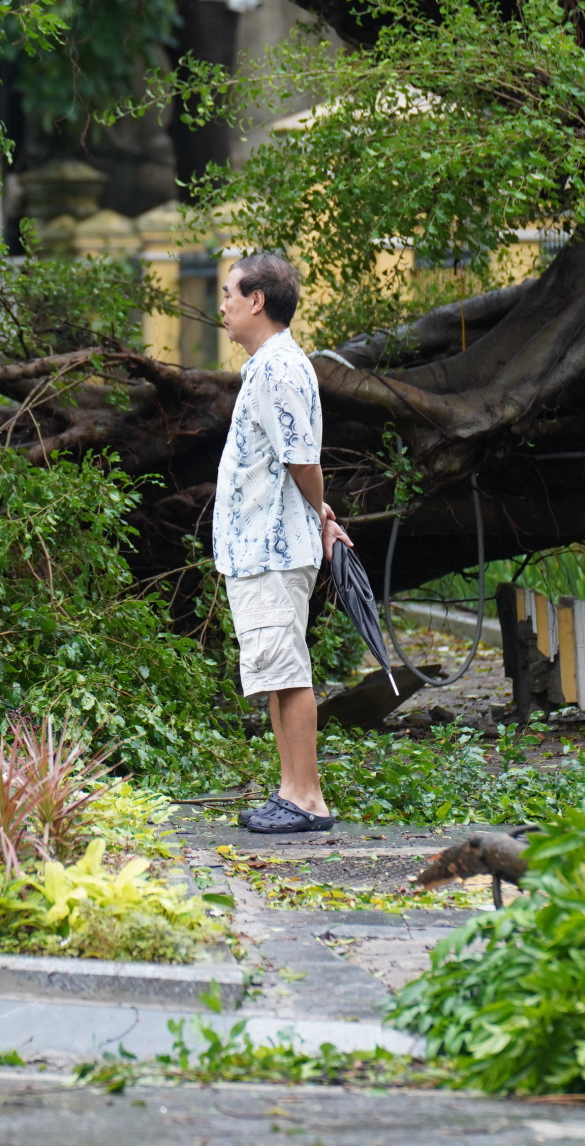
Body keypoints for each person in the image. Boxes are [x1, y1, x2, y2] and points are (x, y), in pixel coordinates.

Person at [213, 251, 352, 835]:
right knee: (276, 670)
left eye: (227, 294)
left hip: (271, 551)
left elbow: (302, 458)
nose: (221, 306)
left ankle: (306, 798)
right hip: (260, 549)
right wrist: (315, 507)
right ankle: (290, 792)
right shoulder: (269, 366)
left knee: (287, 671)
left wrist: (317, 508)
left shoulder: (276, 368)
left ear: (256, 301)